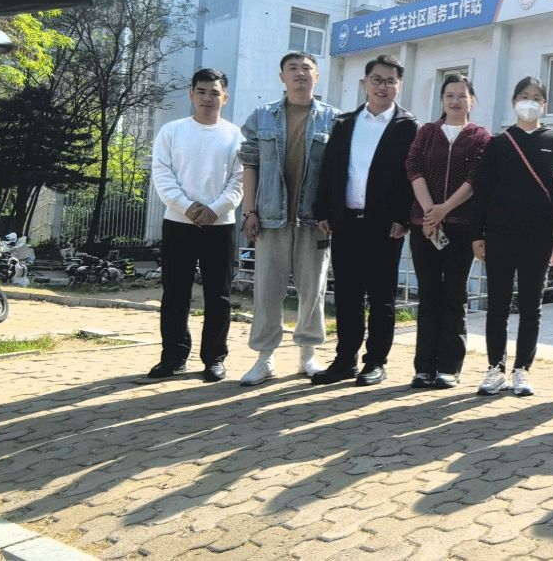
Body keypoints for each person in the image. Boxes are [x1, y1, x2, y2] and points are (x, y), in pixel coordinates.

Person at [311, 55, 419, 387]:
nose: (383, 86)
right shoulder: (345, 123)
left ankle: (376, 361)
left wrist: (403, 218)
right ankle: (345, 359)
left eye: (390, 81)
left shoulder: (408, 126)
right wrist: (323, 211)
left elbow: (412, 177)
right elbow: (330, 169)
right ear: (365, 82)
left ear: (399, 85)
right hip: (346, 221)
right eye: (377, 79)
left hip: (385, 225)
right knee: (347, 295)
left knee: (382, 297)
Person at [238, 52, 340, 385]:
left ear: (317, 76)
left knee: (313, 291)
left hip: (315, 221)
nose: (300, 73)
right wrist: (249, 211)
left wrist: (332, 214)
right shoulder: (262, 117)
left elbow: (339, 173)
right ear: (282, 76)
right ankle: (264, 359)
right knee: (267, 291)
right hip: (270, 218)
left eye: (306, 68)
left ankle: (308, 355)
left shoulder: (333, 120)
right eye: (292, 68)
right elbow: (250, 164)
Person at [471, 76, 553, 397]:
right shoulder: (498, 143)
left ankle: (522, 369)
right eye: (524, 96)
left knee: (531, 306)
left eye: (537, 97)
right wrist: (477, 234)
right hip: (499, 235)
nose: (530, 102)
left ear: (545, 104)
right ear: (514, 101)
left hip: (538, 238)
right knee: (497, 305)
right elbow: (482, 192)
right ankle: (495, 368)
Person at [148, 68, 245, 382]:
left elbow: (240, 181)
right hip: (179, 223)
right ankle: (173, 357)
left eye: (214, 93)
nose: (207, 98)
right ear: (191, 94)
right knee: (175, 293)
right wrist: (187, 207)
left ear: (225, 98)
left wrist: (214, 210)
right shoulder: (172, 131)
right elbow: (162, 175)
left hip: (221, 225)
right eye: (201, 91)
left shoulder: (235, 136)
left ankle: (214, 358)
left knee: (219, 296)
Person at [405, 74, 491, 389]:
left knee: (454, 295)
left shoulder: (481, 136)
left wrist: (444, 210)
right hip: (425, 226)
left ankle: (449, 367)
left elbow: (475, 178)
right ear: (442, 100)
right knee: (428, 295)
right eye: (449, 95)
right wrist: (430, 212)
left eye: (461, 96)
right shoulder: (427, 132)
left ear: (472, 100)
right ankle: (424, 367)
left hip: (461, 226)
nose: (455, 101)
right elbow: (414, 168)